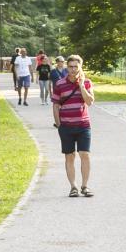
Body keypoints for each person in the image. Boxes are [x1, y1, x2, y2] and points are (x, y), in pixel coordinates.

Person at [51, 54, 94, 197]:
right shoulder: (60, 84)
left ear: (80, 67)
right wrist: (59, 124)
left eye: (76, 66)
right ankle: (73, 187)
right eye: (70, 67)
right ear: (66, 67)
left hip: (83, 125)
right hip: (66, 126)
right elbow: (55, 105)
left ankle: (85, 186)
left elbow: (89, 102)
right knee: (69, 157)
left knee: (85, 154)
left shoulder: (87, 82)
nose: (73, 69)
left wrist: (81, 86)